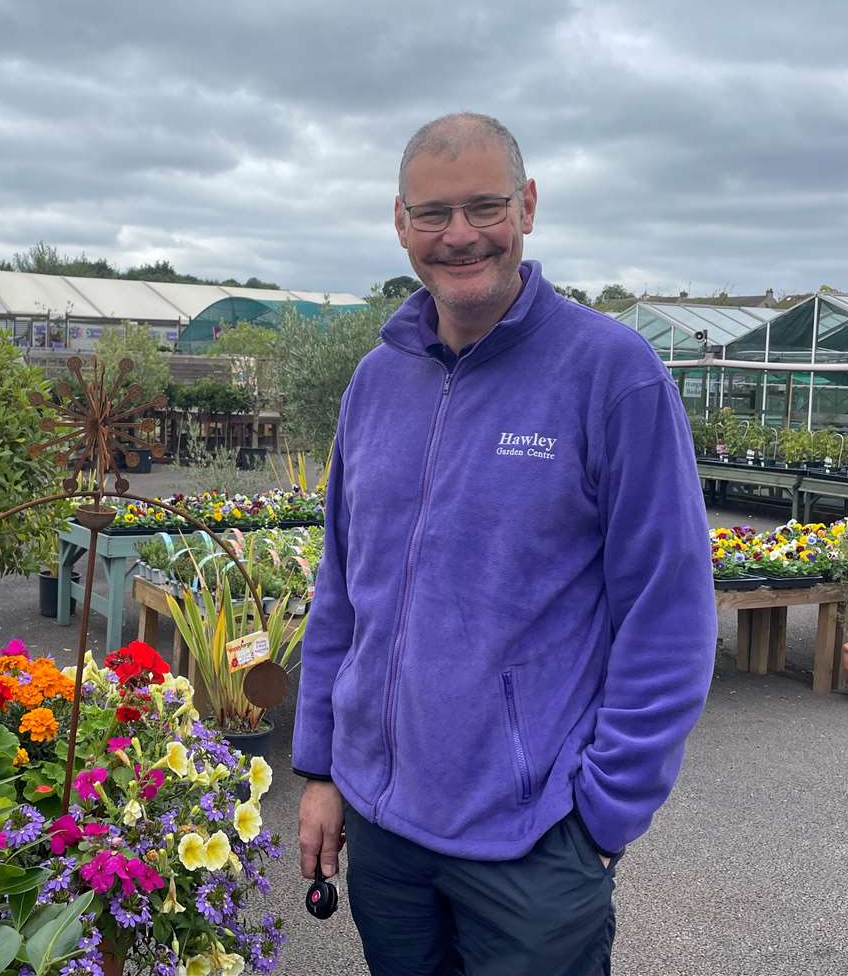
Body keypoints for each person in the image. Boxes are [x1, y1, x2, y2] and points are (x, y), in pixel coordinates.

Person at [293, 112, 716, 976]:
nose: (460, 236)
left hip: (533, 843)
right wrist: (325, 769)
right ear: (401, 223)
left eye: (485, 207)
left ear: (527, 206)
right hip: (385, 830)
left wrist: (602, 820)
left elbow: (668, 614)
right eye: (434, 213)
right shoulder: (375, 385)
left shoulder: (612, 375)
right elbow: (344, 588)